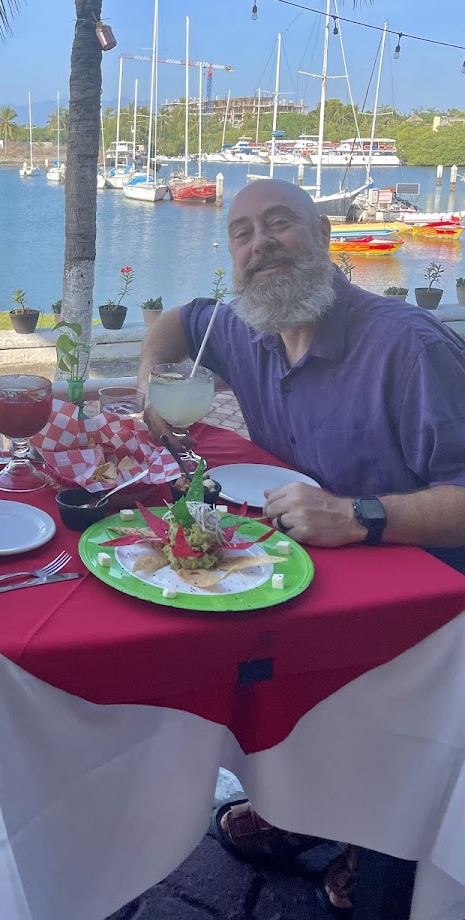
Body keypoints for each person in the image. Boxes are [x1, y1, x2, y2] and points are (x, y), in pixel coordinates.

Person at [138, 177, 465, 914]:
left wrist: (361, 516)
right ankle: (301, 806)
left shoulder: (407, 349)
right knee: (215, 632)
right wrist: (148, 375)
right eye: (243, 233)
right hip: (321, 579)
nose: (261, 245)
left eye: (280, 224)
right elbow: (179, 324)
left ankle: (369, 833)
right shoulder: (251, 329)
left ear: (323, 234)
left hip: (435, 613)